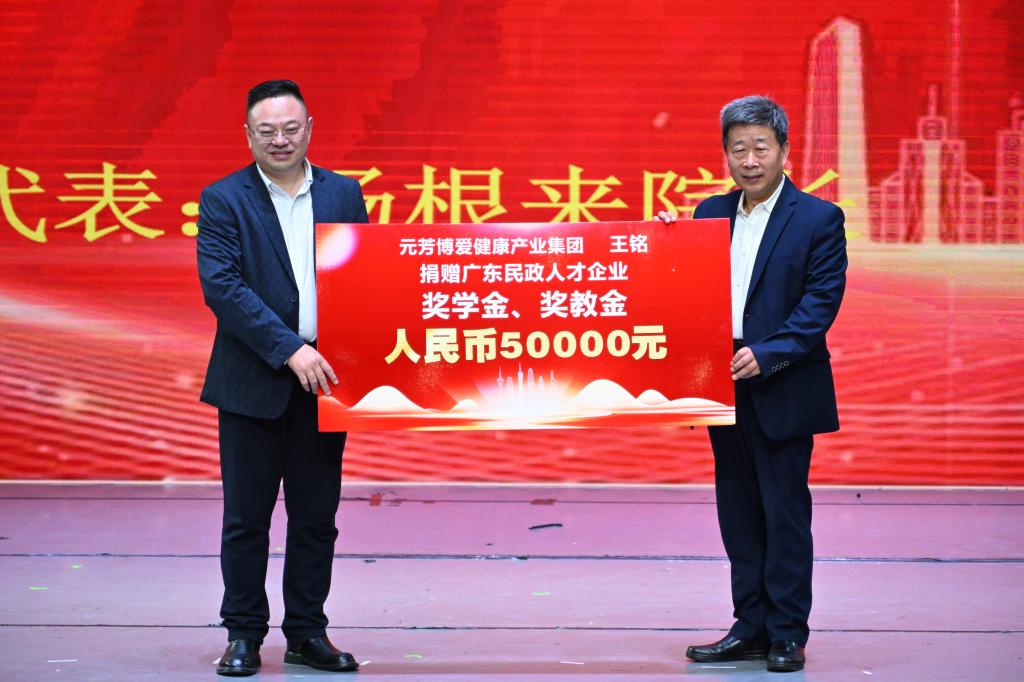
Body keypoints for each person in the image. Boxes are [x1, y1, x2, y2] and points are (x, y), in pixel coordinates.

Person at [657, 95, 847, 673]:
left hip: (781, 382)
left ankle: (787, 632)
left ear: (784, 150)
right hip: (722, 382)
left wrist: (769, 355)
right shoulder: (709, 213)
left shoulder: (818, 218)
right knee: (738, 511)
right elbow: (681, 286)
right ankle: (750, 627)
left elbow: (819, 304)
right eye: (737, 148)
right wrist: (663, 244)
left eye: (761, 147)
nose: (749, 160)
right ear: (725, 155)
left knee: (783, 513)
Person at [196, 79, 368, 676]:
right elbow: (223, 288)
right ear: (247, 135)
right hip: (252, 382)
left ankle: (307, 633)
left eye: (290, 128)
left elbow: (364, 278)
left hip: (327, 383)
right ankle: (243, 634)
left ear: (310, 129)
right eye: (266, 130)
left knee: (316, 518)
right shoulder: (223, 199)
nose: (280, 140)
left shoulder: (345, 193)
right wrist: (290, 349)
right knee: (247, 519)